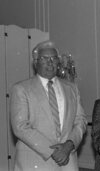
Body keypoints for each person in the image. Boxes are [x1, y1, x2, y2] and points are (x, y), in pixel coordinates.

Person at [10, 40, 87, 171]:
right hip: (34, 160)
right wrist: (53, 151)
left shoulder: (72, 88)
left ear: (58, 62)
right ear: (35, 62)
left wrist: (69, 145)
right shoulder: (21, 89)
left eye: (54, 58)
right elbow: (20, 126)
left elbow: (80, 120)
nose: (50, 62)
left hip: (67, 161)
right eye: (44, 58)